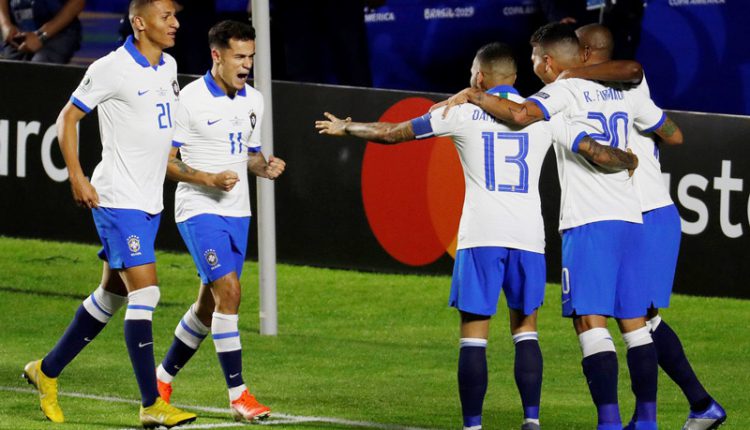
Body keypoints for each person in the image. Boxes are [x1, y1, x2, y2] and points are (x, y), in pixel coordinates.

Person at [316, 42, 639, 430]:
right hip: (527, 238)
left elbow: (392, 133)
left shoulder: (461, 111)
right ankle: (531, 421)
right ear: (514, 78)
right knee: (526, 332)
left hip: (480, 236)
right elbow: (597, 152)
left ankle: (473, 426)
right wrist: (630, 159)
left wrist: (348, 127)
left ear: (480, 77)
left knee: (474, 337)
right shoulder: (543, 114)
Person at [441, 23, 683, 430]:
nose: (533, 64)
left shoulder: (560, 92)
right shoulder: (626, 89)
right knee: (636, 326)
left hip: (589, 222)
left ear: (549, 61)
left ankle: (609, 423)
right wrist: (634, 158)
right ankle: (647, 422)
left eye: (535, 57)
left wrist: (475, 95)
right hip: (631, 218)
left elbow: (520, 114)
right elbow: (672, 133)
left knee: (590, 324)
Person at [22, 0, 197, 427]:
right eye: (165, 16)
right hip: (118, 199)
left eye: (175, 16)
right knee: (146, 294)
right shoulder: (111, 67)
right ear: (139, 23)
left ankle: (46, 371)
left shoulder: (169, 67)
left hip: (148, 200)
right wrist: (77, 176)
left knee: (111, 296)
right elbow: (67, 119)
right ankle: (151, 404)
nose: (175, 23)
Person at [568, 23, 727, 430]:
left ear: (585, 54)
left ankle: (677, 410)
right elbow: (672, 134)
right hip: (634, 214)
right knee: (640, 318)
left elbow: (633, 71)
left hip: (646, 212)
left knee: (637, 318)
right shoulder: (592, 90)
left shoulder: (624, 83)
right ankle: (687, 408)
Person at [153, 20, 284, 422]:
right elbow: (166, 162)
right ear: (217, 55)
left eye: (251, 57)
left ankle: (161, 379)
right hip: (198, 208)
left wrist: (264, 167)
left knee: (208, 307)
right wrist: (207, 179)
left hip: (238, 212)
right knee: (230, 292)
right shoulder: (189, 99)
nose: (247, 65)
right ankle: (238, 395)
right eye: (239, 56)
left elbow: (247, 155)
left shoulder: (255, 101)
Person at [0, 0, 83, 63]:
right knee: (10, 74)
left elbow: (77, 2)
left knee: (38, 72)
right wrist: (5, 24)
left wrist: (41, 36)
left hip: (57, 31)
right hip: (17, 31)